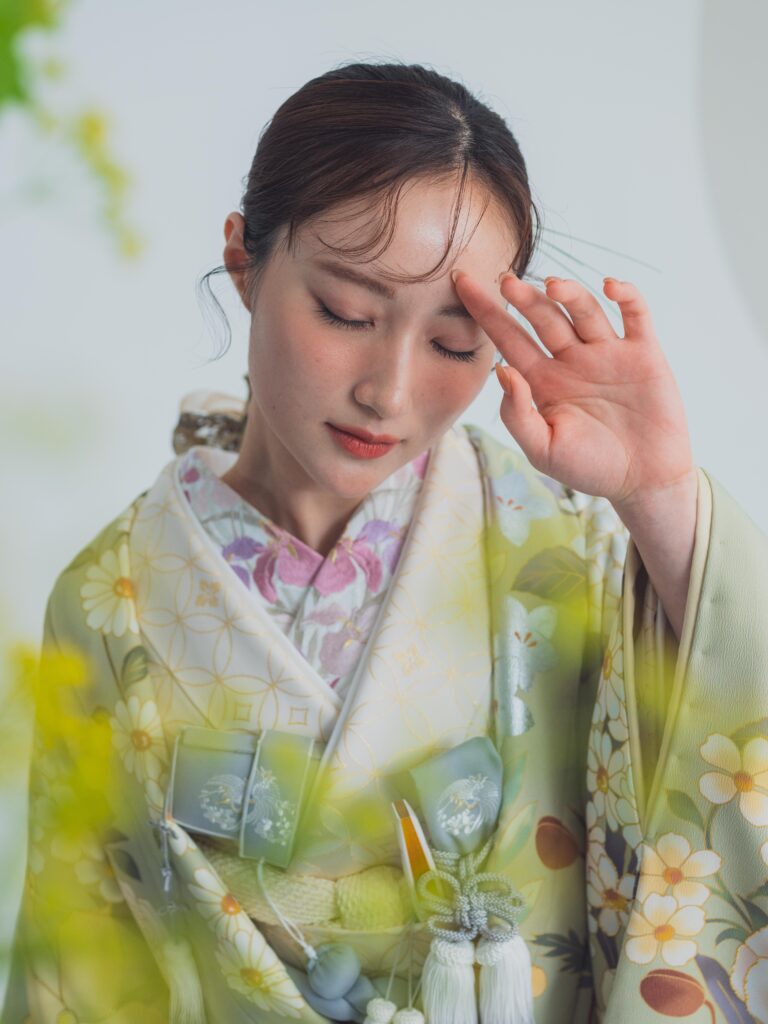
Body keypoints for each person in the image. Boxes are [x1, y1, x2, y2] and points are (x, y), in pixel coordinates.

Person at [4, 60, 768, 1024]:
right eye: (348, 313)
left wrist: (659, 500)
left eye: (454, 344)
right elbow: (78, 970)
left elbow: (717, 746)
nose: (390, 392)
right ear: (243, 260)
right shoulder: (110, 597)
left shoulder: (550, 544)